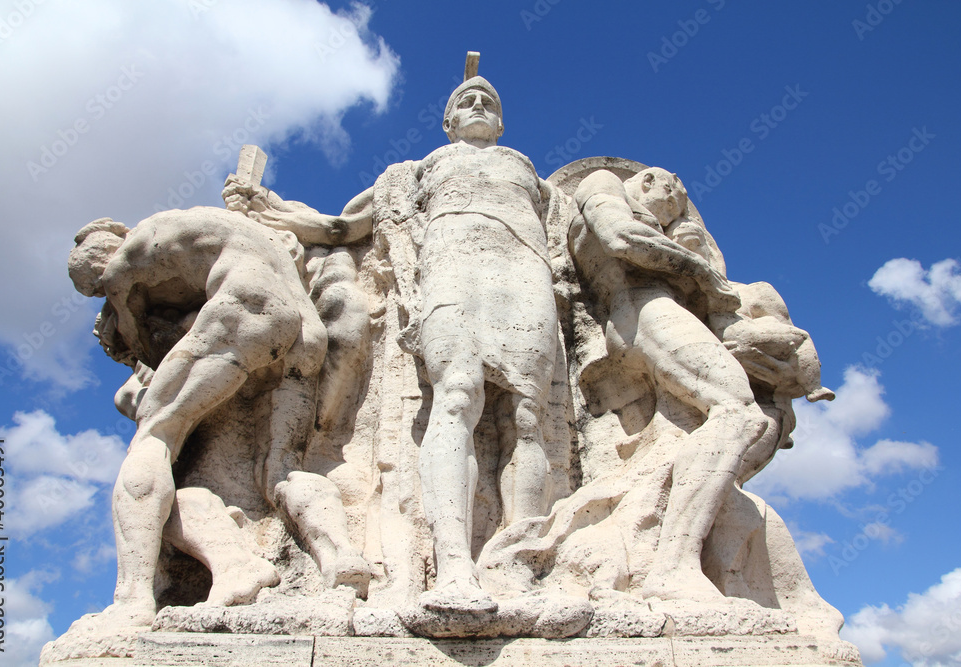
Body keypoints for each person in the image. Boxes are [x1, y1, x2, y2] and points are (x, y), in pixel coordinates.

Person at [222, 74, 560, 612]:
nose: (477, 104)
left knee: (528, 416)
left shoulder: (530, 173)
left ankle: (518, 564)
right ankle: (453, 569)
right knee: (455, 398)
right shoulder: (417, 170)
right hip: (450, 271)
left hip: (526, 274)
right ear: (448, 124)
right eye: (465, 101)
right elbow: (338, 227)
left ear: (501, 123)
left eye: (488, 101)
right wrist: (263, 205)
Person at [69, 208, 369, 628]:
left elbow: (141, 352)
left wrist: (122, 331)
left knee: (155, 435)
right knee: (281, 469)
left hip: (247, 310)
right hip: (306, 335)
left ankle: (132, 599)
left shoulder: (124, 267)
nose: (102, 292)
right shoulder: (211, 227)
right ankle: (341, 556)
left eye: (93, 287)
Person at [571, 167, 769, 603]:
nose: (674, 211)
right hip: (645, 310)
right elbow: (621, 238)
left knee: (683, 440)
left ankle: (648, 553)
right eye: (673, 198)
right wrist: (704, 273)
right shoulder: (602, 182)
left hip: (648, 315)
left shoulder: (659, 226)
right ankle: (673, 566)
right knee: (737, 409)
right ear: (653, 181)